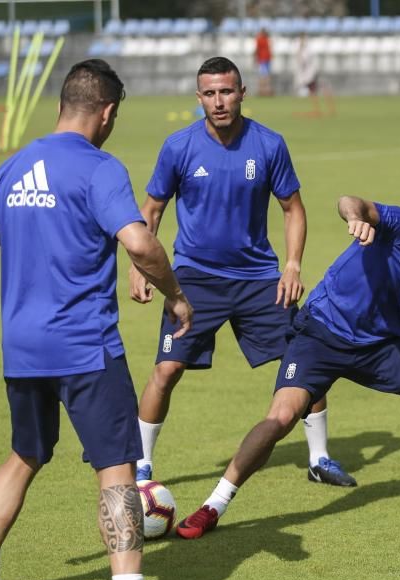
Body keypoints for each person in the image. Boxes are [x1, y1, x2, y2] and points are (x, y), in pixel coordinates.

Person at [0, 59, 194, 580]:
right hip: (86, 345)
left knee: (25, 454)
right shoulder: (99, 167)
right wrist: (177, 296)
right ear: (107, 112)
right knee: (117, 466)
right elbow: (142, 243)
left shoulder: (11, 167)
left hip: (23, 347)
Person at [176, 182, 400, 539]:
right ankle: (213, 505)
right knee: (280, 418)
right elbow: (351, 201)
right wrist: (356, 217)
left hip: (383, 346)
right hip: (323, 333)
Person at [129, 57, 352, 488]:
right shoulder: (179, 146)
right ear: (199, 98)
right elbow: (151, 210)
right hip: (194, 278)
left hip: (258, 278)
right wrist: (141, 267)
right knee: (167, 370)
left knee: (306, 358)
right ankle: (141, 465)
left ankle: (320, 458)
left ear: (243, 93)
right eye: (210, 94)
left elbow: (293, 209)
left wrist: (291, 265)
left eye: (227, 91)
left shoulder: (269, 145)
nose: (219, 101)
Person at [293, 34, 335, 117]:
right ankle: (320, 109)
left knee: (319, 88)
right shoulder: (305, 49)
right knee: (314, 90)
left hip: (313, 73)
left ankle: (328, 109)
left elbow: (303, 61)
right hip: (311, 73)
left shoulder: (307, 49)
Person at [255, 28, 273, 97]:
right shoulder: (266, 39)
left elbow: (257, 49)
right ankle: (265, 91)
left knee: (263, 76)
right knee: (266, 76)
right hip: (265, 59)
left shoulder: (260, 39)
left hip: (263, 60)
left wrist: (255, 58)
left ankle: (263, 91)